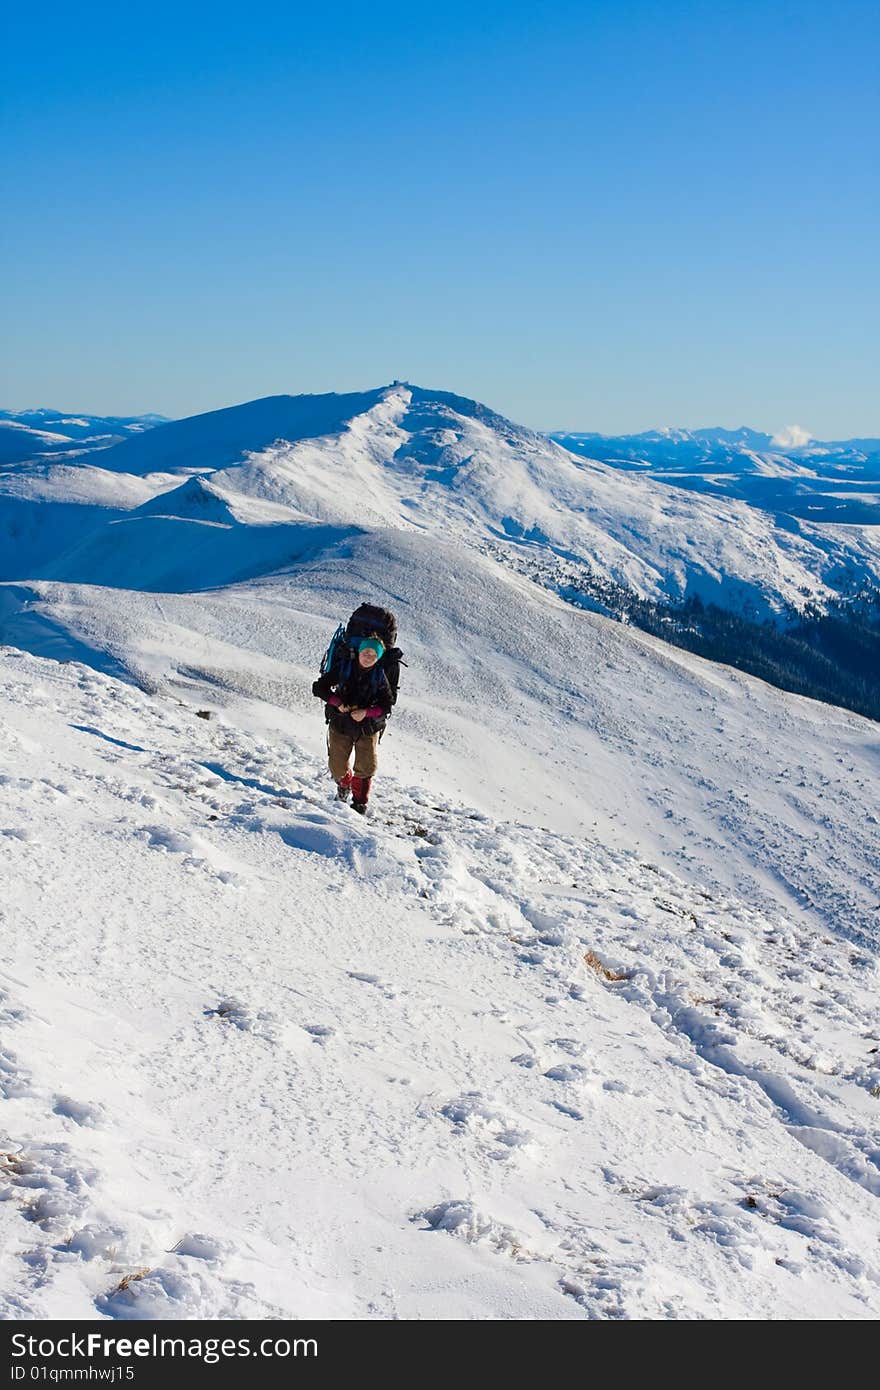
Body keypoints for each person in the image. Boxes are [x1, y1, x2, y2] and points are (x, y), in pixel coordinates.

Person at [312, 621, 401, 814]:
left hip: (367, 728)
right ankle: (344, 785)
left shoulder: (380, 676)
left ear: (379, 657)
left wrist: (366, 713)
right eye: (366, 652)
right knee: (337, 767)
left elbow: (387, 704)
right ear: (359, 651)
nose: (369, 657)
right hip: (341, 723)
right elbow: (318, 688)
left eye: (374, 655)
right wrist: (338, 703)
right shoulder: (344, 667)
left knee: (366, 767)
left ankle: (359, 804)